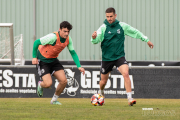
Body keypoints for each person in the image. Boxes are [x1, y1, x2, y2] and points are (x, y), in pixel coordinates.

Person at [91, 7, 154, 106]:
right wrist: (94, 37)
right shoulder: (103, 28)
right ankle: (101, 93)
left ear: (115, 16)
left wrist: (146, 40)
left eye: (111, 16)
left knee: (126, 73)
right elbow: (96, 40)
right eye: (107, 16)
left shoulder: (122, 26)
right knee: (103, 82)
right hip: (107, 58)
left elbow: (135, 32)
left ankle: (130, 98)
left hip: (119, 57)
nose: (109, 18)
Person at [32, 21, 85, 105]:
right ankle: (40, 85)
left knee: (64, 81)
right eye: (64, 31)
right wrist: (34, 57)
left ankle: (54, 101)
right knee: (48, 84)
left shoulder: (68, 39)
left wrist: (79, 66)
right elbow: (36, 42)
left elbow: (73, 53)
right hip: (42, 61)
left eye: (68, 31)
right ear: (60, 29)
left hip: (53, 60)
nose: (67, 33)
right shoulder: (52, 37)